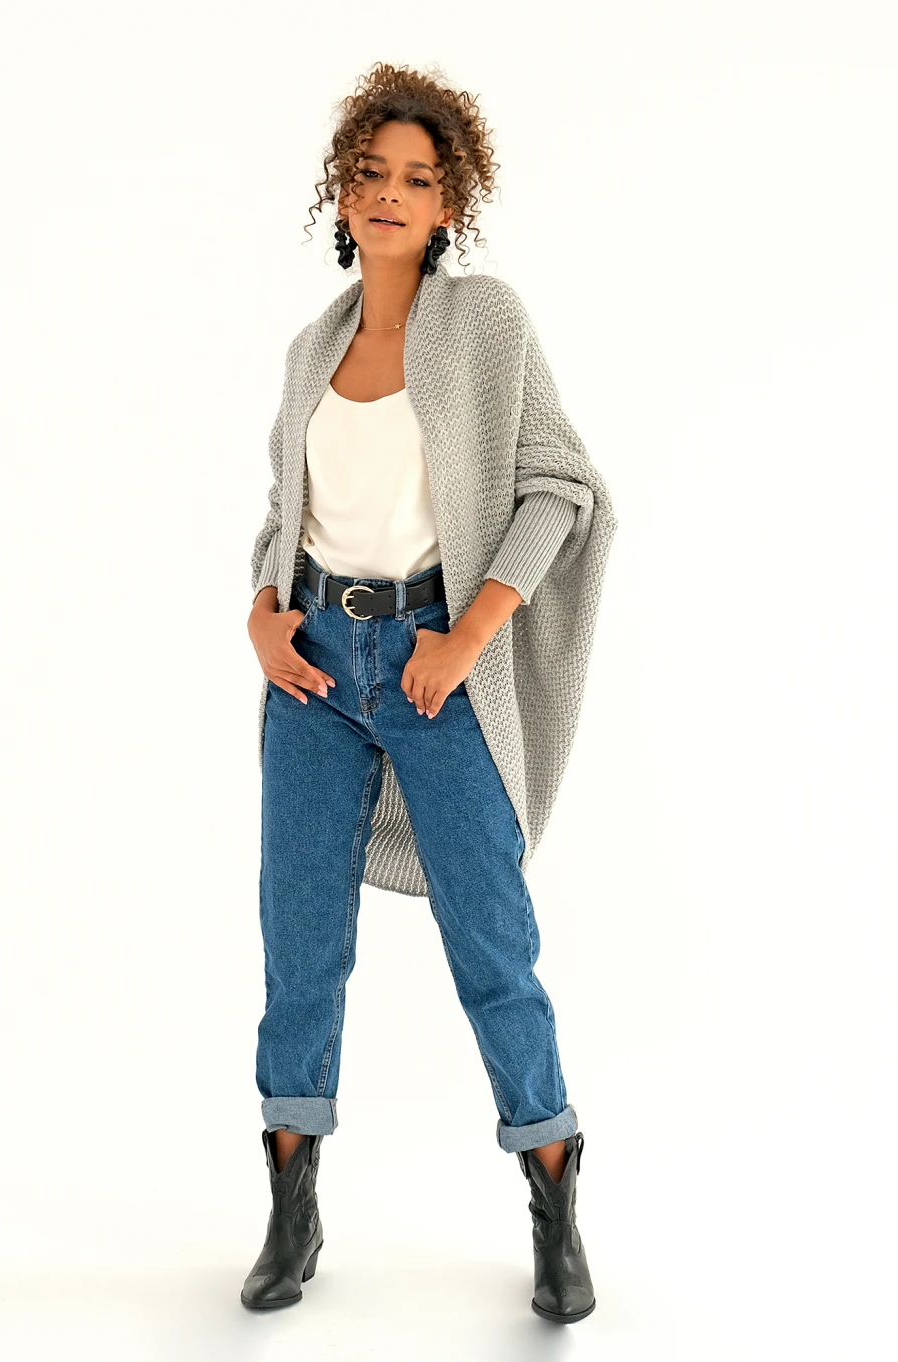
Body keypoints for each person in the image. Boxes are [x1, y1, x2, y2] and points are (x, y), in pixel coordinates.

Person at [241, 62, 617, 1323]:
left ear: (451, 201)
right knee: (299, 948)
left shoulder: (486, 325)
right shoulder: (312, 348)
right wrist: (258, 613)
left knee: (494, 945)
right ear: (340, 192)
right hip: (311, 678)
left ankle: (553, 1193)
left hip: (431, 665)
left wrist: (468, 638)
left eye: (417, 178)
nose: (390, 194)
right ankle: (291, 1204)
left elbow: (559, 489)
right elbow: (285, 513)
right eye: (371, 174)